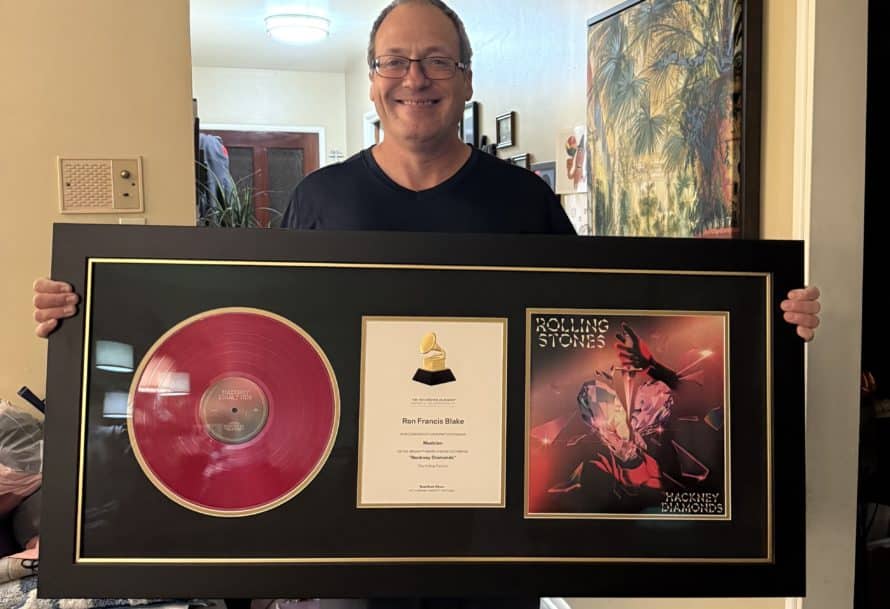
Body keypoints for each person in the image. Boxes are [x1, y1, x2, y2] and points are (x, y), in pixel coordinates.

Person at [31, 0, 822, 606]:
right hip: (347, 528)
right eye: (397, 61)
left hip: (490, 533)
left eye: (438, 61)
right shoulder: (319, 199)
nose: (416, 79)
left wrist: (769, 323)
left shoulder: (522, 200)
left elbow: (605, 326)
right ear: (373, 77)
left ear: (467, 78)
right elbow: (245, 328)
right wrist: (82, 316)